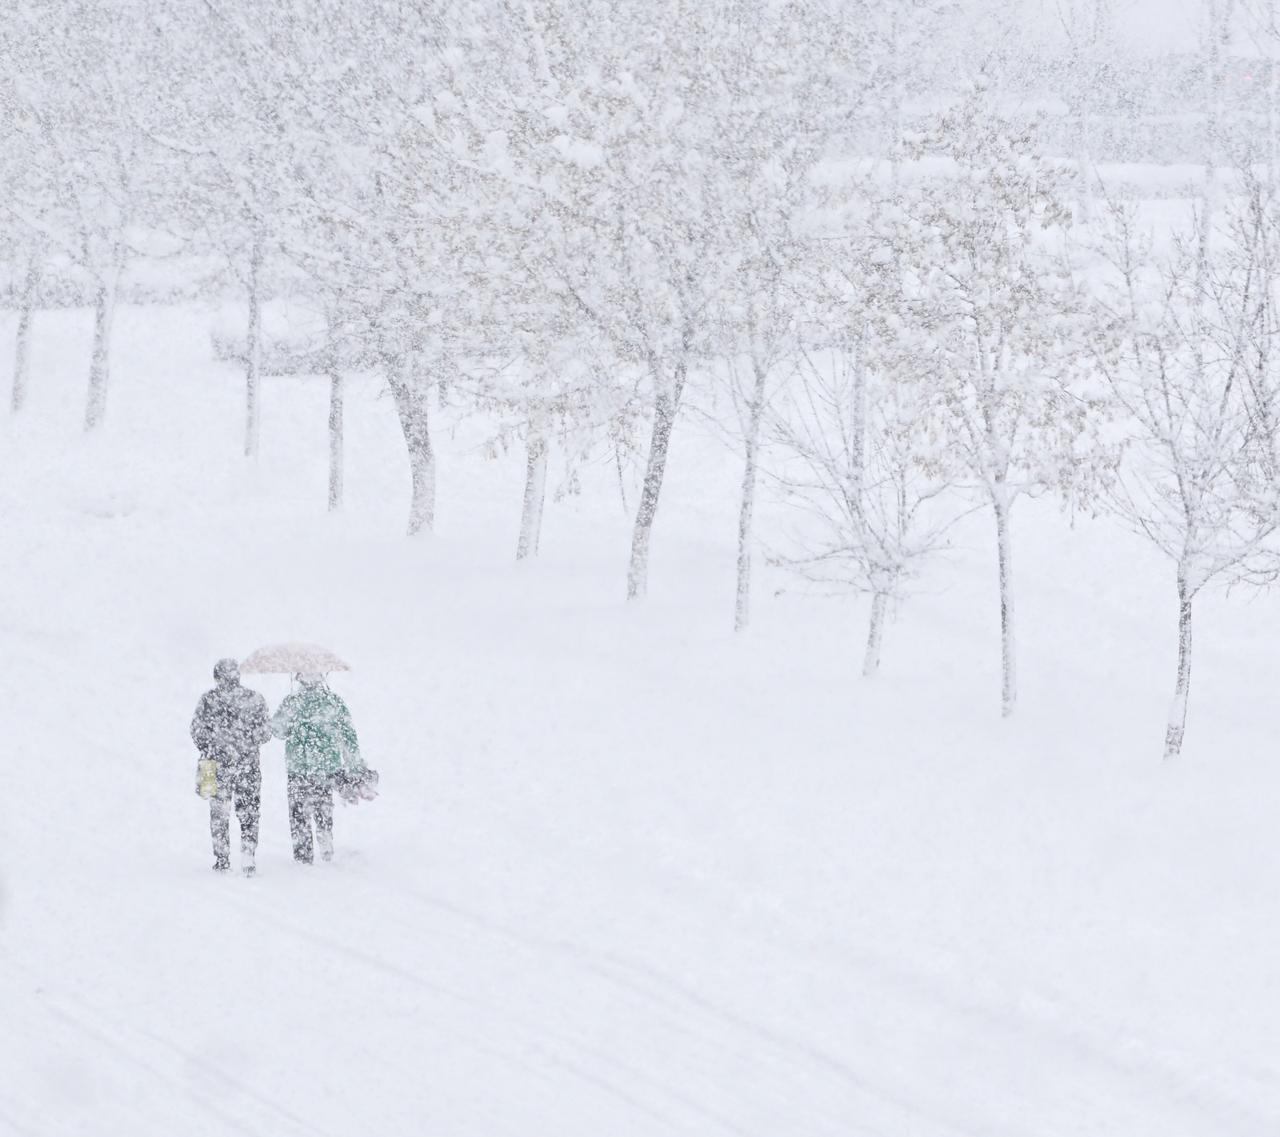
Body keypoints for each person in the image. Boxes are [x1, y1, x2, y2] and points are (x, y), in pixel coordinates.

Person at [271, 673, 367, 864]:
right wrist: (354, 765)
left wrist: (290, 722)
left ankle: (303, 853)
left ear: (298, 678)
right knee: (323, 802)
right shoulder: (333, 701)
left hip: (299, 767)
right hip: (326, 765)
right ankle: (325, 835)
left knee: (298, 811)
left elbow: (277, 731)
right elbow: (348, 735)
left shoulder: (292, 702)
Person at [190, 658, 272, 876]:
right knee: (249, 812)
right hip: (248, 765)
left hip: (216, 766)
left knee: (219, 814)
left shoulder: (208, 700)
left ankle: (222, 858)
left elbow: (197, 731)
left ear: (216, 677)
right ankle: (248, 854)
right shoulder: (254, 699)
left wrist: (214, 745)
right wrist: (247, 741)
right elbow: (265, 732)